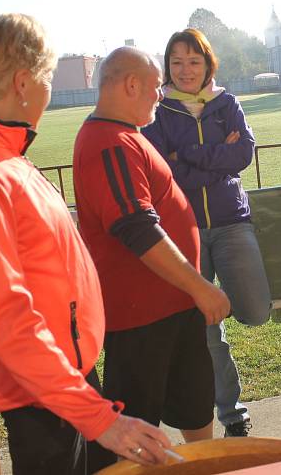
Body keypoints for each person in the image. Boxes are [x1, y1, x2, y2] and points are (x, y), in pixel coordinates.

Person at [0, 14, 171, 474]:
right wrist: (99, 419)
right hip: (42, 391)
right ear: (23, 82)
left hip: (58, 382)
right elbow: (3, 315)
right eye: (48, 77)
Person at [72, 46, 230, 444]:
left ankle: (203, 469)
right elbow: (137, 228)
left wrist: (191, 291)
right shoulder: (109, 143)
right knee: (136, 427)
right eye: (156, 86)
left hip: (172, 308)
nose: (160, 94)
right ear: (130, 84)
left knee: (193, 401)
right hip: (142, 318)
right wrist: (200, 286)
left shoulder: (127, 136)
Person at [141, 29, 271, 437]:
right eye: (176, 62)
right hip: (184, 231)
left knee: (255, 309)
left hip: (232, 221)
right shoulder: (158, 112)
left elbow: (243, 153)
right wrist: (215, 159)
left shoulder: (226, 103)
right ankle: (231, 414)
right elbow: (163, 170)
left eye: (193, 61)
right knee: (207, 331)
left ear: (207, 64)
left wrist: (191, 156)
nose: (185, 70)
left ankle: (218, 310)